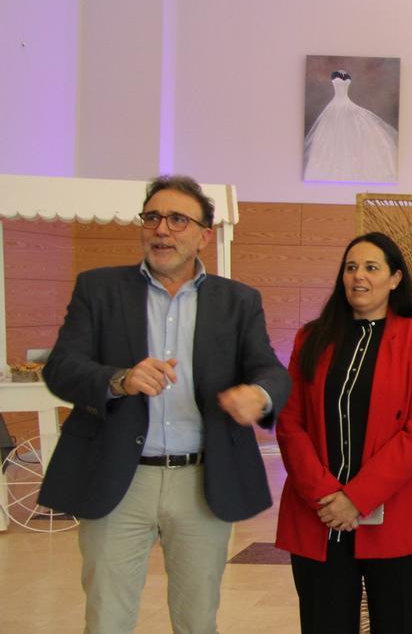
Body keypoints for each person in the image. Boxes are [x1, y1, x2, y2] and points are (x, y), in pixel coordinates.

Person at [39, 174, 291, 633]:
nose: (162, 230)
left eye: (178, 219)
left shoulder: (237, 301)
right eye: (153, 217)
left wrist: (258, 394)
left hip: (201, 482)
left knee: (197, 619)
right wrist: (118, 379)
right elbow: (61, 367)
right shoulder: (98, 290)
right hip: (118, 476)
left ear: (203, 235)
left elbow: (270, 370)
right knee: (107, 617)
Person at [275, 232, 412, 634]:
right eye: (351, 267)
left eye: (371, 267)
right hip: (319, 514)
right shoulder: (311, 337)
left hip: (399, 517)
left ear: (394, 279)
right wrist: (327, 496)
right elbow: (290, 423)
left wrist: (355, 499)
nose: (359, 276)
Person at [303, 69, 399, 184]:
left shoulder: (346, 75)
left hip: (347, 104)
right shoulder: (334, 74)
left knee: (354, 134)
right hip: (335, 105)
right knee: (332, 136)